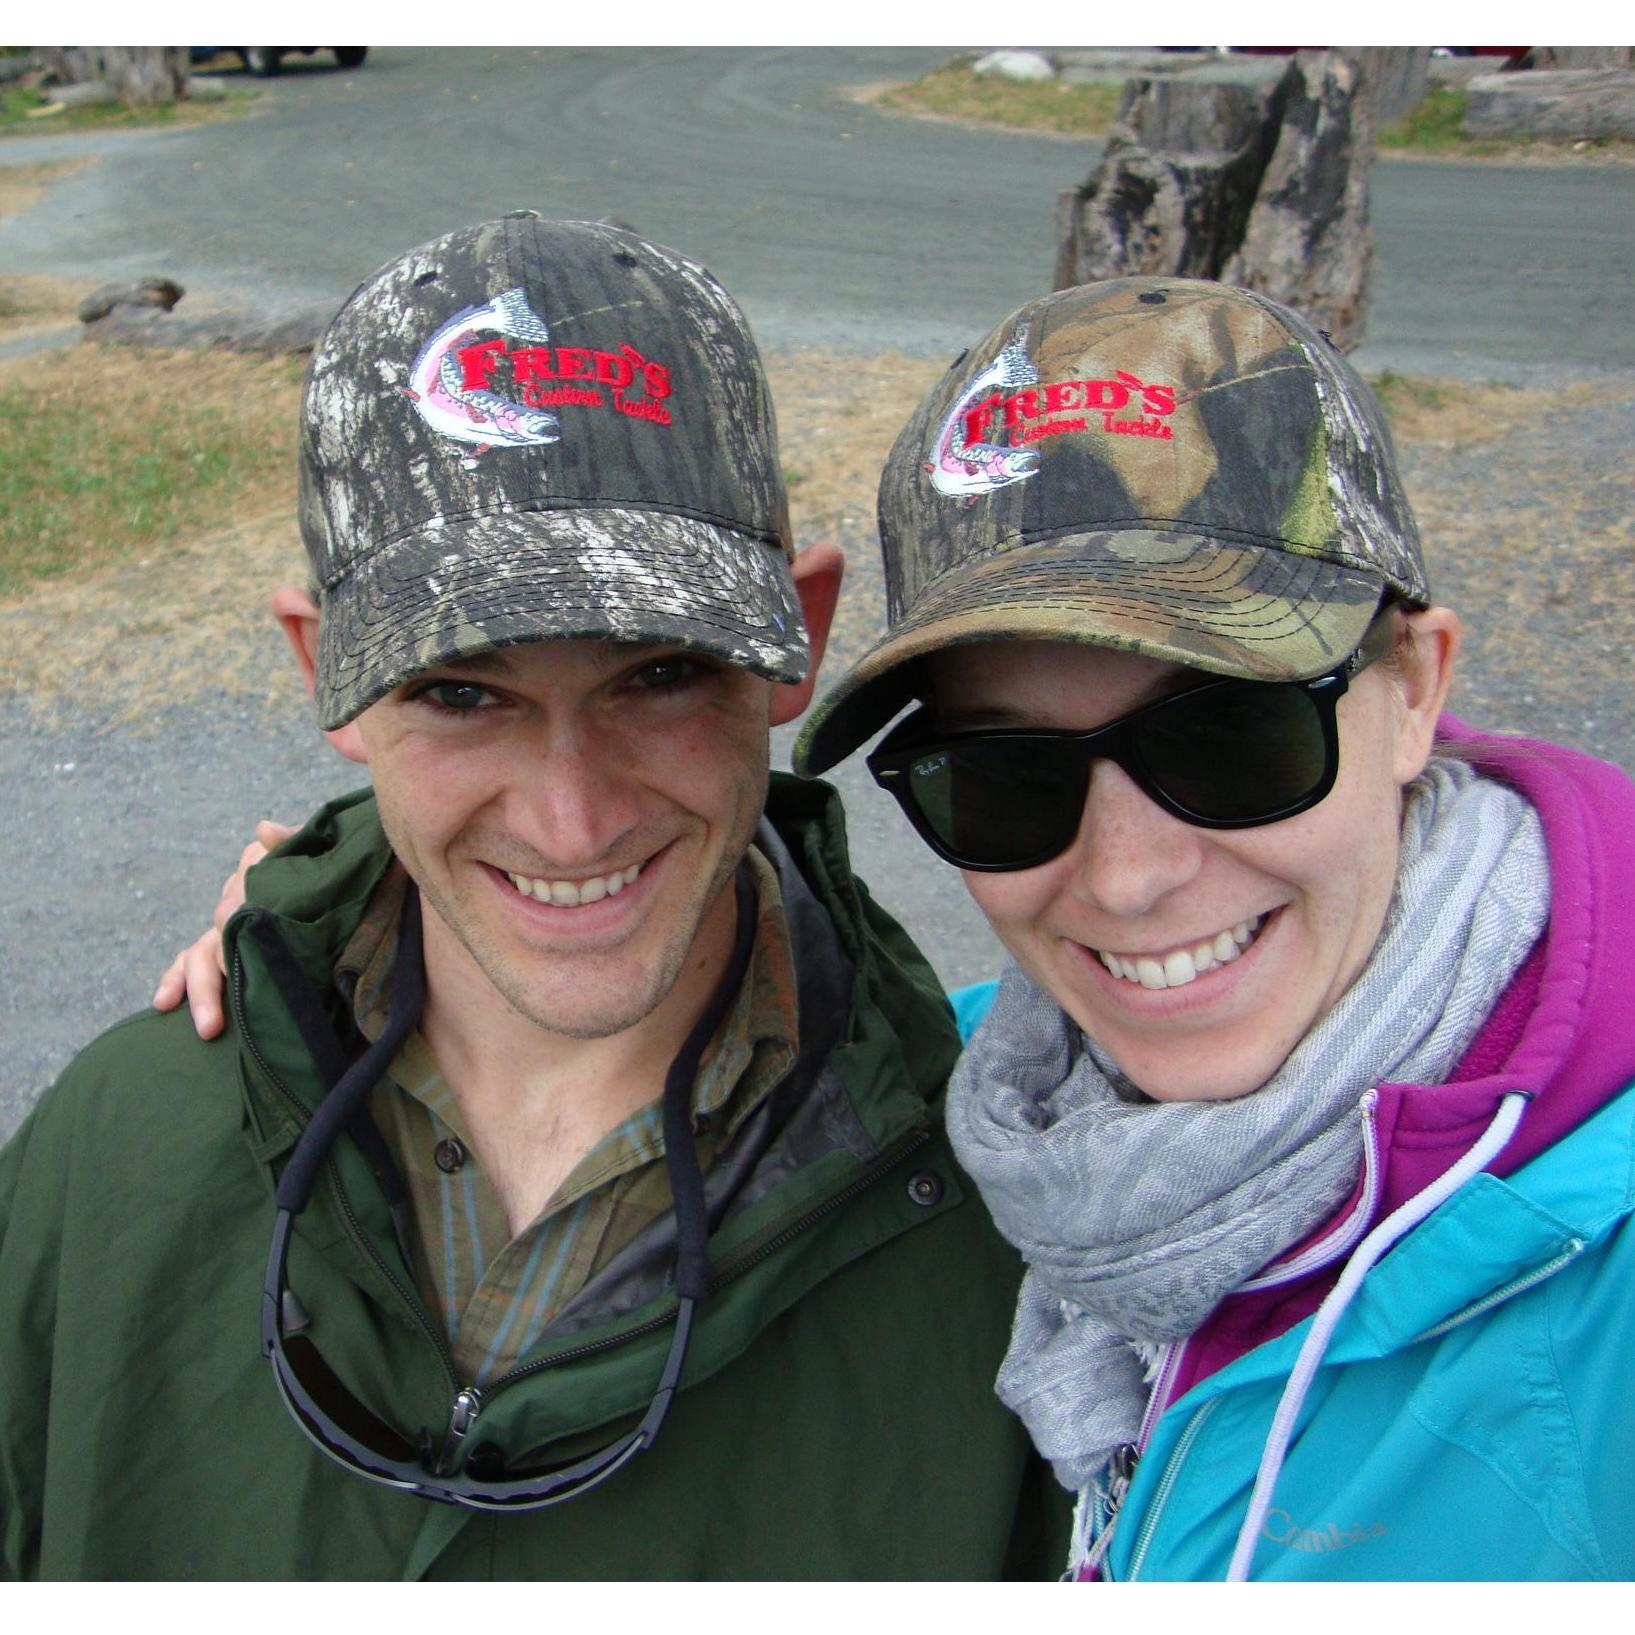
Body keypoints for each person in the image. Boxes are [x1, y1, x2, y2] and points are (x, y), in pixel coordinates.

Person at [0, 216, 1067, 1580]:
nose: (571, 818)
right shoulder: (118, 1154)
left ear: (794, 640)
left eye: (660, 676)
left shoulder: (1003, 1244)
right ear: (328, 671)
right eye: (462, 693)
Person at [790, 276, 1635, 1580]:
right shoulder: (965, 1110)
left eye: (1230, 737)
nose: (1127, 878)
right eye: (1005, 778)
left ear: (1415, 688)